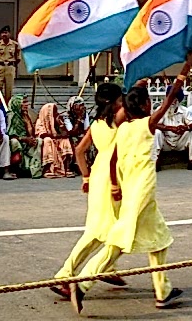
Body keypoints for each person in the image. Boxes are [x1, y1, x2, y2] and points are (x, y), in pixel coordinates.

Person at [69, 54, 192, 314]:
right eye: (150, 100)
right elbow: (170, 98)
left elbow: (114, 157)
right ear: (145, 106)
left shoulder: (124, 126)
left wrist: (115, 184)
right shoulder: (146, 125)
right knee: (119, 241)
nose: (153, 104)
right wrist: (186, 67)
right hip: (142, 190)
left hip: (131, 189)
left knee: (159, 239)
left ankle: (163, 291)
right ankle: (83, 283)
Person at [51, 83, 126, 300]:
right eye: (120, 100)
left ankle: (106, 268)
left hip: (98, 173)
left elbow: (80, 151)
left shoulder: (96, 123)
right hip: (114, 176)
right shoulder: (118, 120)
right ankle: (69, 273)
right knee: (113, 230)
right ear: (113, 103)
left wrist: (86, 176)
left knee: (99, 227)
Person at [154, 85, 192, 171]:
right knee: (157, 132)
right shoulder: (160, 109)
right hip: (165, 141)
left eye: (175, 99)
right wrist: (171, 128)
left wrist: (185, 127)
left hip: (180, 141)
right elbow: (154, 124)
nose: (173, 101)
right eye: (171, 98)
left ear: (178, 100)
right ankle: (156, 161)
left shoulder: (184, 110)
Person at [8, 94, 43, 178]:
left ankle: (34, 170)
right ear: (17, 103)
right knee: (14, 142)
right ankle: (14, 170)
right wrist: (25, 139)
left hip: (27, 142)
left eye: (27, 102)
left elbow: (31, 132)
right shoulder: (11, 116)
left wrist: (31, 139)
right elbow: (10, 135)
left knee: (39, 141)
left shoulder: (26, 115)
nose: (27, 104)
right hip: (17, 142)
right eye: (24, 102)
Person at [35, 103, 74, 179]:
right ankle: (48, 169)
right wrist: (56, 136)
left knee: (65, 140)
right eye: (54, 111)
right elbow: (42, 134)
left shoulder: (57, 121)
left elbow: (66, 134)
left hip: (56, 140)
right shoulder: (40, 121)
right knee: (47, 140)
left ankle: (67, 168)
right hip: (47, 140)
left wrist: (61, 124)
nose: (57, 113)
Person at [0, 25, 21, 104]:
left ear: (9, 34)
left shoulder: (15, 44)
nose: (4, 35)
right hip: (0, 67)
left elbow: (18, 58)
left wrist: (11, 64)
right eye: (2, 33)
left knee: (9, 88)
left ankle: (7, 105)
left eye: (6, 33)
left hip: (10, 67)